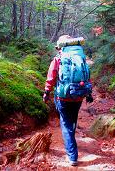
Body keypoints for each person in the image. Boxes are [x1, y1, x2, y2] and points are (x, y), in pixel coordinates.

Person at [43, 35, 93, 167]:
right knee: (72, 120)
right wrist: (88, 93)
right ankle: (72, 144)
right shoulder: (81, 58)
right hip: (78, 95)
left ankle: (72, 156)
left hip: (63, 97)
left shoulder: (58, 58)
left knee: (65, 124)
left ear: (61, 46)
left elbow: (51, 77)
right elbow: (87, 75)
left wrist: (47, 92)